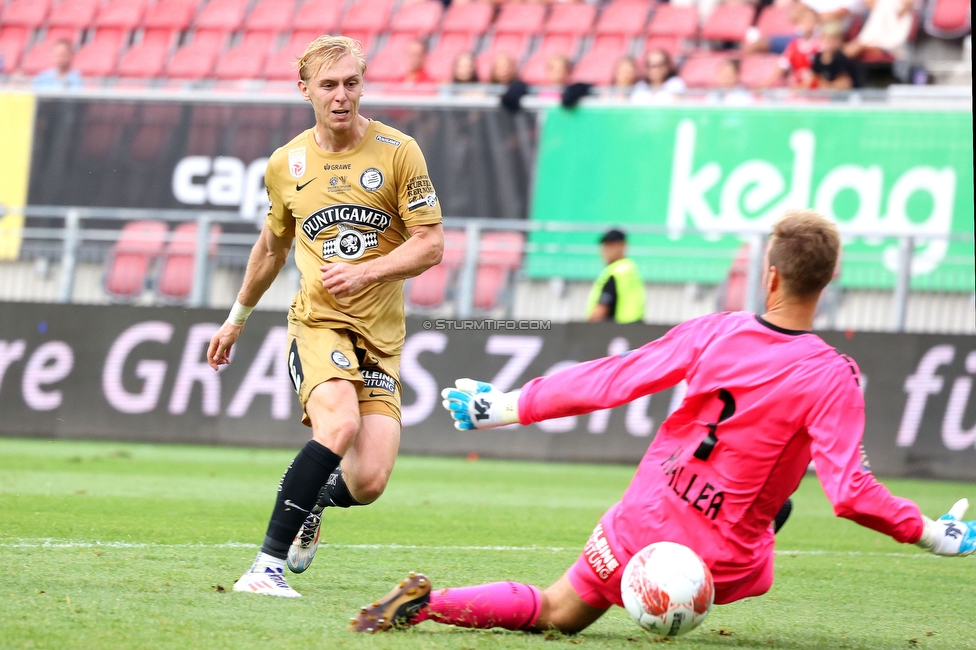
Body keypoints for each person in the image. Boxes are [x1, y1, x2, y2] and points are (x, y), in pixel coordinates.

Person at [349, 210, 975, 634]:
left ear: (771, 274)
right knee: (761, 559)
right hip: (725, 557)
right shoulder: (833, 374)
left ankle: (431, 605)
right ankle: (761, 521)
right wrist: (929, 532)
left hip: (642, 522)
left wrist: (507, 406)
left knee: (557, 611)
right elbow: (849, 495)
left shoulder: (714, 331)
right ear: (831, 280)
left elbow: (611, 380)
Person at [207, 35, 444, 597]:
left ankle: (311, 494)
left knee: (368, 481)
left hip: (380, 336)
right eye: (329, 85)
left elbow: (430, 244)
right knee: (338, 425)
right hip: (317, 321)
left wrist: (367, 271)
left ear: (363, 84)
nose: (342, 96)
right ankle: (263, 569)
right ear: (306, 90)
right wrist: (236, 317)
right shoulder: (285, 164)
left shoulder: (398, 150)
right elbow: (271, 248)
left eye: (352, 83)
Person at [586, 229, 645, 324]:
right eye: (605, 245)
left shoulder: (615, 272)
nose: (606, 249)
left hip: (614, 331)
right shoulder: (631, 269)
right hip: (635, 329)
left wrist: (584, 328)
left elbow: (602, 308)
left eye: (611, 245)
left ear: (623, 245)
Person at [771, 3, 821, 88]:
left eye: (811, 20)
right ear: (799, 23)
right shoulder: (794, 45)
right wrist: (766, 83)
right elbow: (782, 64)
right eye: (805, 20)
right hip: (801, 92)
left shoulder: (821, 45)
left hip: (819, 91)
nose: (808, 23)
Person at [812, 22, 860, 89]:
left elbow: (845, 83)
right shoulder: (816, 58)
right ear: (822, 38)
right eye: (828, 37)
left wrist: (826, 86)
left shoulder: (843, 59)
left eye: (834, 38)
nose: (830, 41)